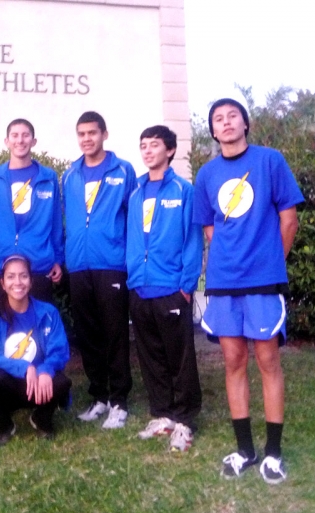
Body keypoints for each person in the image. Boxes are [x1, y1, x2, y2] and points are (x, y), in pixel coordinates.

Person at [193, 98, 304, 484]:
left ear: (245, 123)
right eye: (218, 119)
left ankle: (273, 453)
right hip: (223, 282)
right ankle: (246, 449)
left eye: (232, 117)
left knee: (268, 362)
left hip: (262, 281)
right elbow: (210, 231)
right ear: (212, 130)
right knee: (232, 360)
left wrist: (271, 262)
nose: (225, 123)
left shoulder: (270, 161)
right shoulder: (206, 174)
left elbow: (288, 219)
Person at [126, 125, 203, 451]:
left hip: (172, 288)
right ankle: (161, 414)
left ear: (169, 151)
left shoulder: (183, 191)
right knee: (150, 356)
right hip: (140, 287)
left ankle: (184, 421)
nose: (147, 151)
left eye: (154, 145)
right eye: (143, 146)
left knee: (180, 358)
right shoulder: (136, 192)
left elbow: (192, 240)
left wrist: (186, 285)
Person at [62, 111, 136, 429]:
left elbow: (133, 218)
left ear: (104, 134)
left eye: (92, 133)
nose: (87, 139)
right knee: (88, 334)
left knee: (115, 333)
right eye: (81, 134)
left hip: (112, 264)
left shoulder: (123, 170)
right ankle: (99, 397)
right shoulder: (70, 175)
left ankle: (119, 401)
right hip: (79, 265)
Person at [0, 255, 72, 446]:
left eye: (23, 276)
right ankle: (3, 425)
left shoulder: (48, 312)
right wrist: (25, 367)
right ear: (2, 283)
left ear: (31, 281)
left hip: (37, 386)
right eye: (11, 277)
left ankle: (41, 418)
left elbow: (60, 351)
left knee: (62, 382)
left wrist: (45, 370)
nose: (17, 282)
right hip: (8, 386)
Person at [0, 118, 63, 303]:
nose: (20, 140)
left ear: (33, 141)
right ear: (6, 141)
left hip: (39, 265)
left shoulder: (48, 177)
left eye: (25, 135)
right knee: (4, 327)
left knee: (37, 328)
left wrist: (57, 257)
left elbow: (56, 221)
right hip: (1, 264)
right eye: (15, 136)